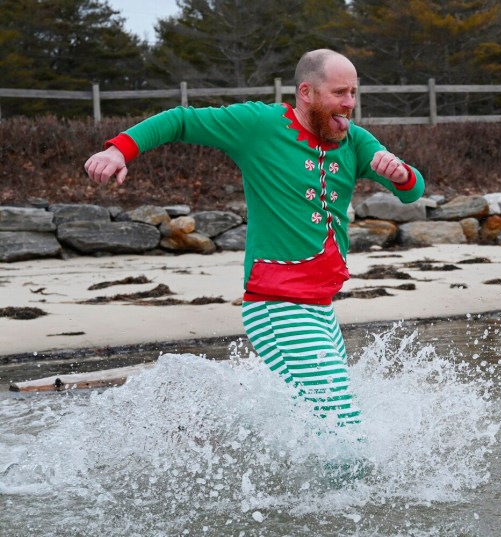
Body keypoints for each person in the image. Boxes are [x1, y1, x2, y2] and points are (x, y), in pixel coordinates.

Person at [84, 49, 425, 429]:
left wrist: (399, 173)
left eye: (354, 93)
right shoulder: (258, 124)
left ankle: (241, 451)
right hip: (278, 305)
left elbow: (412, 191)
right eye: (340, 93)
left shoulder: (354, 140)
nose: (349, 104)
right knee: (343, 421)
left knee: (317, 420)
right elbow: (181, 120)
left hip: (322, 308)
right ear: (307, 92)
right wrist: (119, 150)